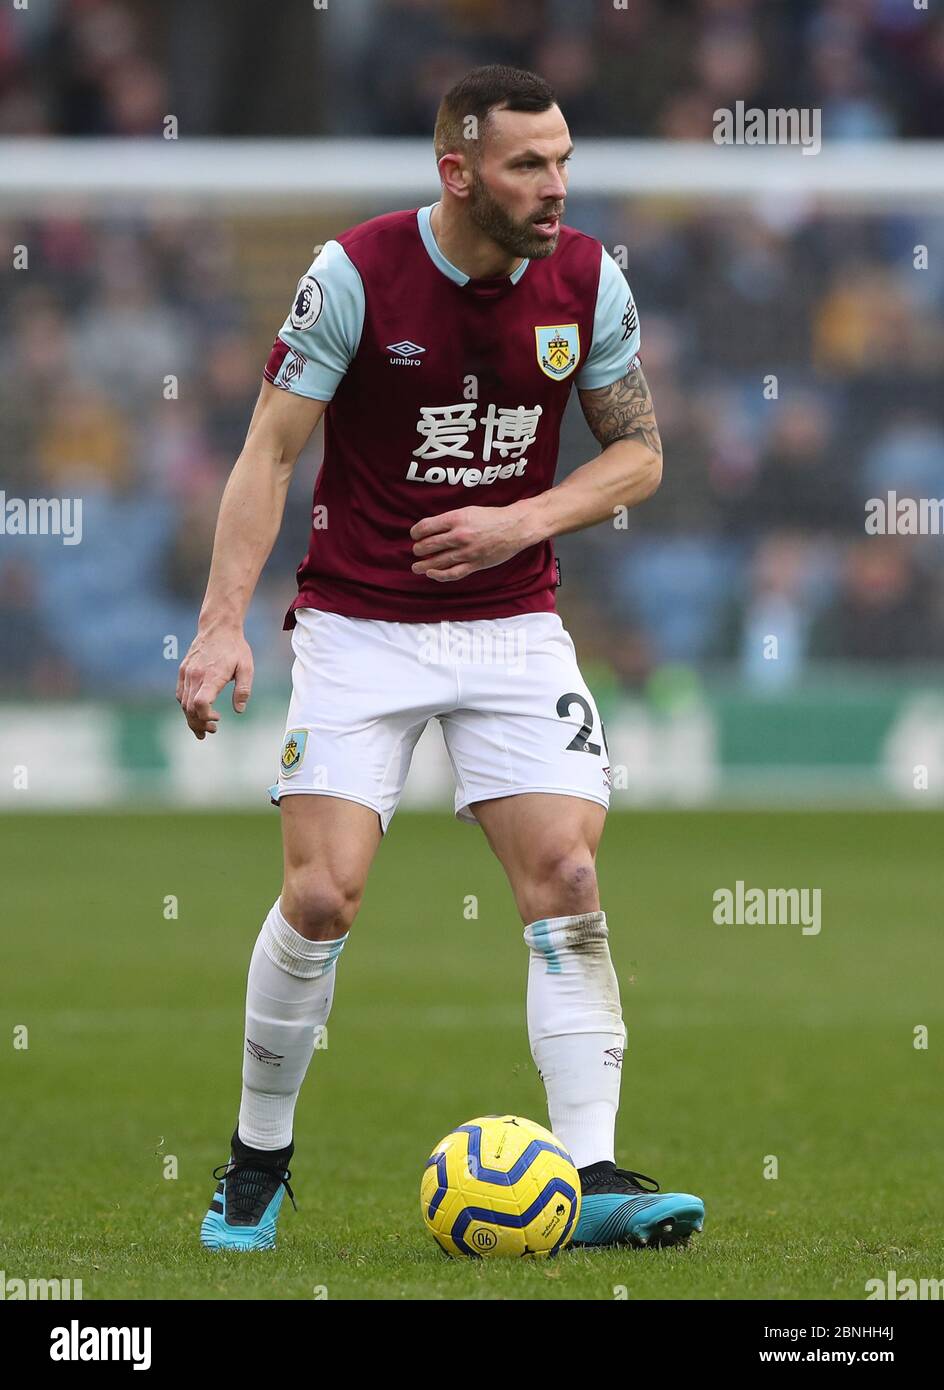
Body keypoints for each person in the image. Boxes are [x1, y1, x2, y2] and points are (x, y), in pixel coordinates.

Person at [177, 64, 704, 1252]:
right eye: (529, 163)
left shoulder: (589, 279)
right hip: (361, 625)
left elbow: (640, 456)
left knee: (566, 878)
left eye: (563, 158)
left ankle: (595, 1173)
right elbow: (267, 455)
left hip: (513, 622)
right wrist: (221, 622)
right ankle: (256, 1160)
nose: (556, 184)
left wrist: (523, 520)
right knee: (320, 896)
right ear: (455, 171)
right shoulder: (354, 275)